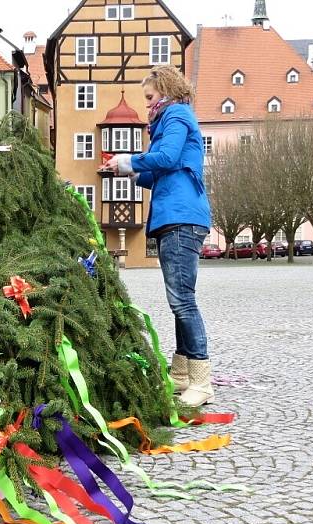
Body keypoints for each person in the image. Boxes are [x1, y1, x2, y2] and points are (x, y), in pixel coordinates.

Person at [104, 66, 214, 407]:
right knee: (179, 298)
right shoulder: (171, 118)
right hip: (174, 216)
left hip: (182, 216)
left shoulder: (177, 114)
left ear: (165, 90)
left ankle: (201, 381)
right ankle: (181, 375)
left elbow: (166, 158)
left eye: (150, 97)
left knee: (182, 300)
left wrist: (129, 162)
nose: (148, 104)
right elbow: (161, 171)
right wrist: (123, 169)